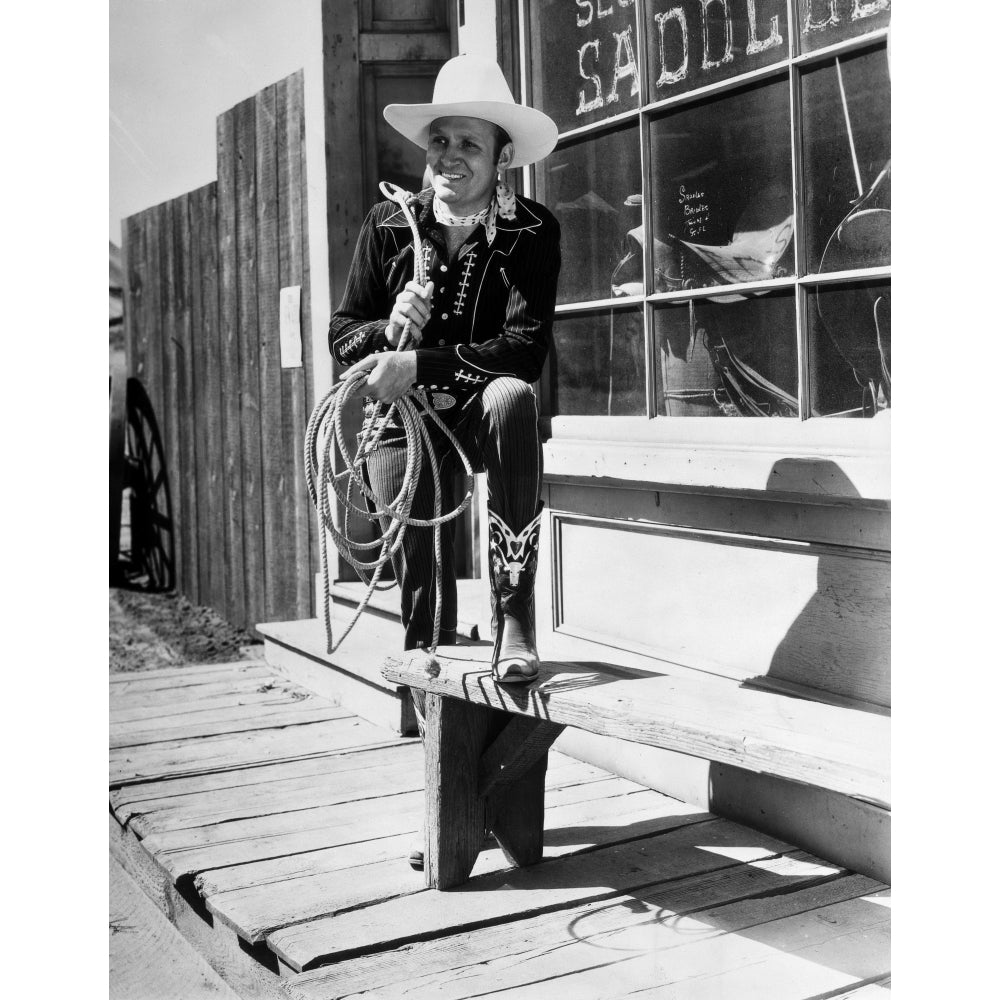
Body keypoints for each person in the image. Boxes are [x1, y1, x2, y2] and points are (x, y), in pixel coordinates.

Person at [330, 56, 561, 708]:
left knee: (512, 397)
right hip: (404, 416)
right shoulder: (385, 225)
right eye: (440, 141)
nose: (450, 155)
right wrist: (384, 332)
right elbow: (342, 335)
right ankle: (428, 701)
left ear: (501, 154)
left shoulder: (531, 232)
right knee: (421, 565)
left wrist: (422, 364)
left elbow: (522, 350)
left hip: (478, 410)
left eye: (469, 142)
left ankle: (514, 617)